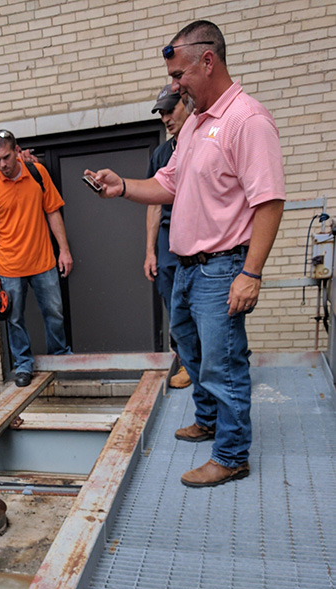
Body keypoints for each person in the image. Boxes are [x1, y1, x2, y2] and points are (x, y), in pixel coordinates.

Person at [86, 20, 285, 487]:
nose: (175, 86)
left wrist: (250, 273)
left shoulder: (247, 120)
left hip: (222, 268)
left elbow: (270, 201)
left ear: (208, 61)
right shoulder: (195, 123)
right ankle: (209, 420)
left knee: (224, 362)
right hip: (187, 269)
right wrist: (121, 188)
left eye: (179, 76)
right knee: (192, 354)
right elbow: (168, 184)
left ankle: (232, 455)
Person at [0, 130, 73, 387]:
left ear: (17, 150)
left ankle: (60, 358)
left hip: (43, 261)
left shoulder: (37, 173)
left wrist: (63, 250)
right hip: (8, 267)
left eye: (6, 157)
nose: (2, 164)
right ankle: (23, 364)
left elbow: (53, 212)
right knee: (14, 319)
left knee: (54, 312)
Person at [145, 84, 193, 389]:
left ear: (187, 104)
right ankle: (187, 361)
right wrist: (150, 251)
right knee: (172, 300)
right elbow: (152, 201)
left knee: (201, 298)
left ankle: (210, 360)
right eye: (161, 113)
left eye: (170, 110)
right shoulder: (161, 153)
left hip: (197, 233)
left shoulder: (203, 142)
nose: (165, 118)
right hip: (166, 234)